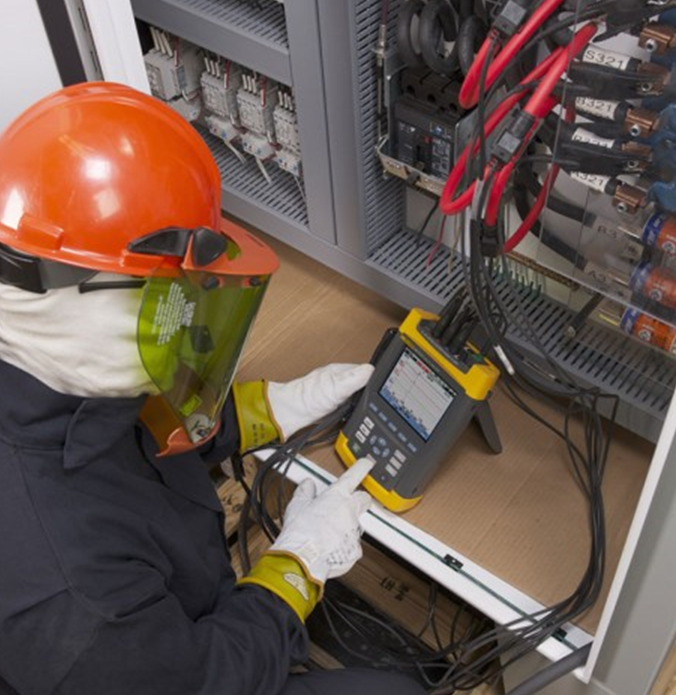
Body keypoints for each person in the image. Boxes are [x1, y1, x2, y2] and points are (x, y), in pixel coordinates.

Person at [0, 82, 426, 695]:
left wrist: (270, 408)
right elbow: (204, 679)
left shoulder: (59, 365)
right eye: (177, 302)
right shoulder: (69, 596)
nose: (189, 330)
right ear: (95, 298)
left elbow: (131, 427)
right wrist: (295, 572)